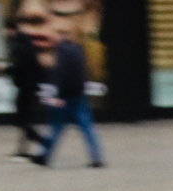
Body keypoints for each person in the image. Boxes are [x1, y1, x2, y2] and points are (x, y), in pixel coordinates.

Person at [31, 34, 104, 168]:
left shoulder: (61, 52)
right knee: (87, 127)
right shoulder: (77, 49)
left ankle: (44, 155)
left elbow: (62, 74)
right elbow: (83, 71)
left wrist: (59, 94)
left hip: (66, 96)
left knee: (55, 127)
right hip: (79, 93)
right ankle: (97, 157)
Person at [6, 26, 46, 159]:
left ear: (9, 29)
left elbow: (18, 67)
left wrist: (6, 69)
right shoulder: (29, 46)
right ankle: (23, 149)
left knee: (21, 120)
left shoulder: (17, 46)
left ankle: (41, 141)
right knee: (25, 119)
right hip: (31, 88)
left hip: (24, 88)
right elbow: (36, 67)